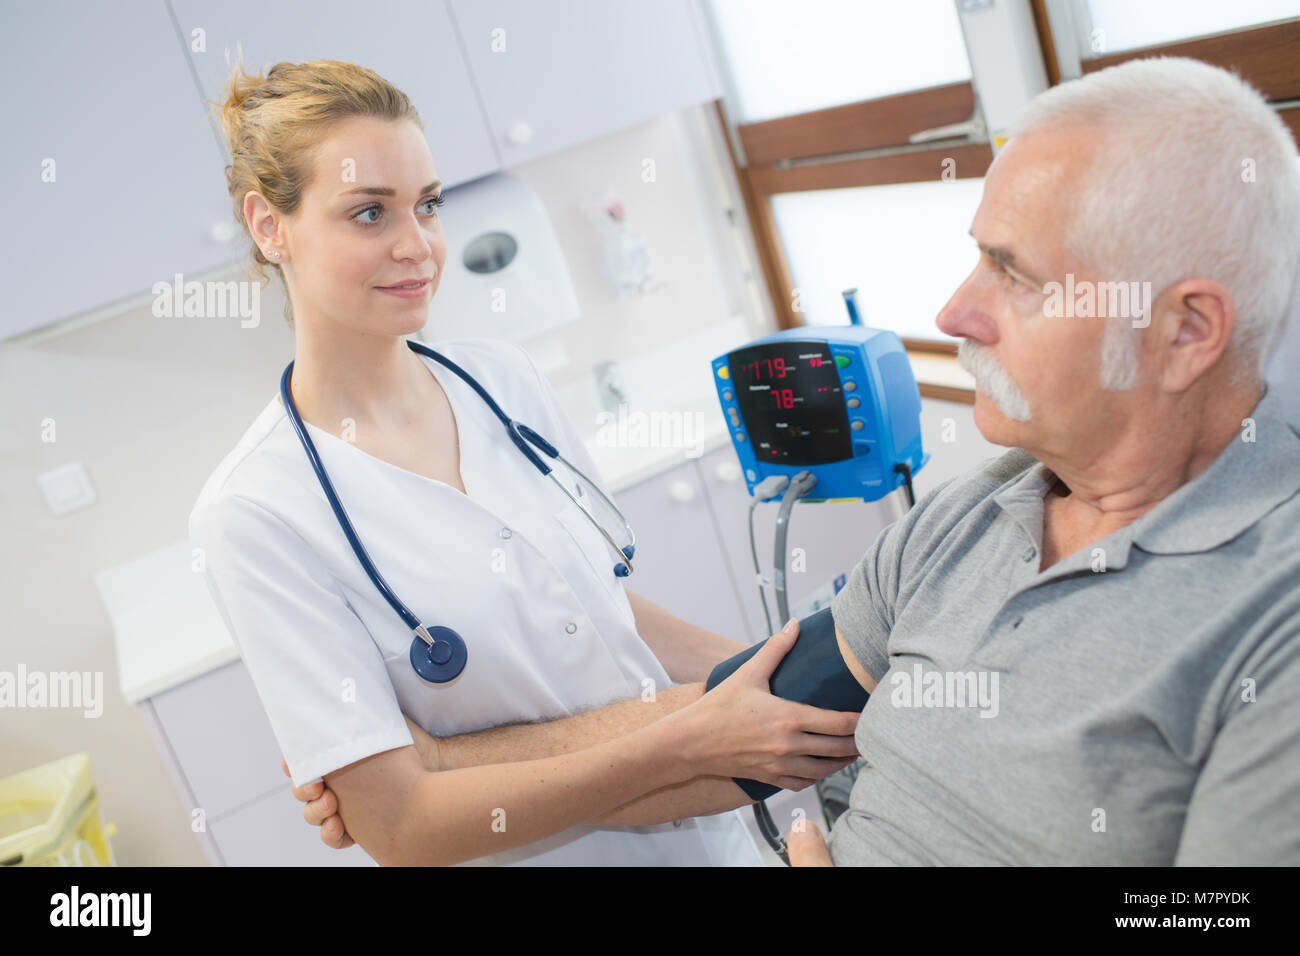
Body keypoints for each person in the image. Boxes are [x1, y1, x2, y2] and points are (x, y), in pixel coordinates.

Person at [300, 55, 1300, 866]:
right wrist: (429, 772)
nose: (954, 312)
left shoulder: (1271, 626)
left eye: (1014, 274)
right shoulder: (968, 519)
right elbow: (735, 725)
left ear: (1184, 331)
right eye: (975, 254)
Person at [189, 57, 861, 868]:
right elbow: (402, 828)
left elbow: (600, 602)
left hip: (716, 844)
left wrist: (773, 676)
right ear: (270, 226)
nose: (418, 246)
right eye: (369, 213)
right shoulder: (256, 512)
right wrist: (690, 737)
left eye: (427, 205)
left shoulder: (501, 379)